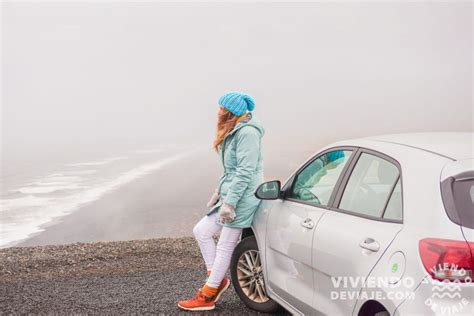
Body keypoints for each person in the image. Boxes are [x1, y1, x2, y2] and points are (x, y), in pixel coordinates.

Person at [177, 92, 265, 311]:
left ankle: (208, 294)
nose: (217, 111)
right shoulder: (235, 129)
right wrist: (219, 192)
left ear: (230, 110)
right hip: (231, 194)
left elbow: (245, 172)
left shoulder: (247, 133)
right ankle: (216, 279)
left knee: (225, 245)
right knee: (201, 231)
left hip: (243, 198)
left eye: (220, 108)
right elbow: (230, 171)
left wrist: (231, 203)